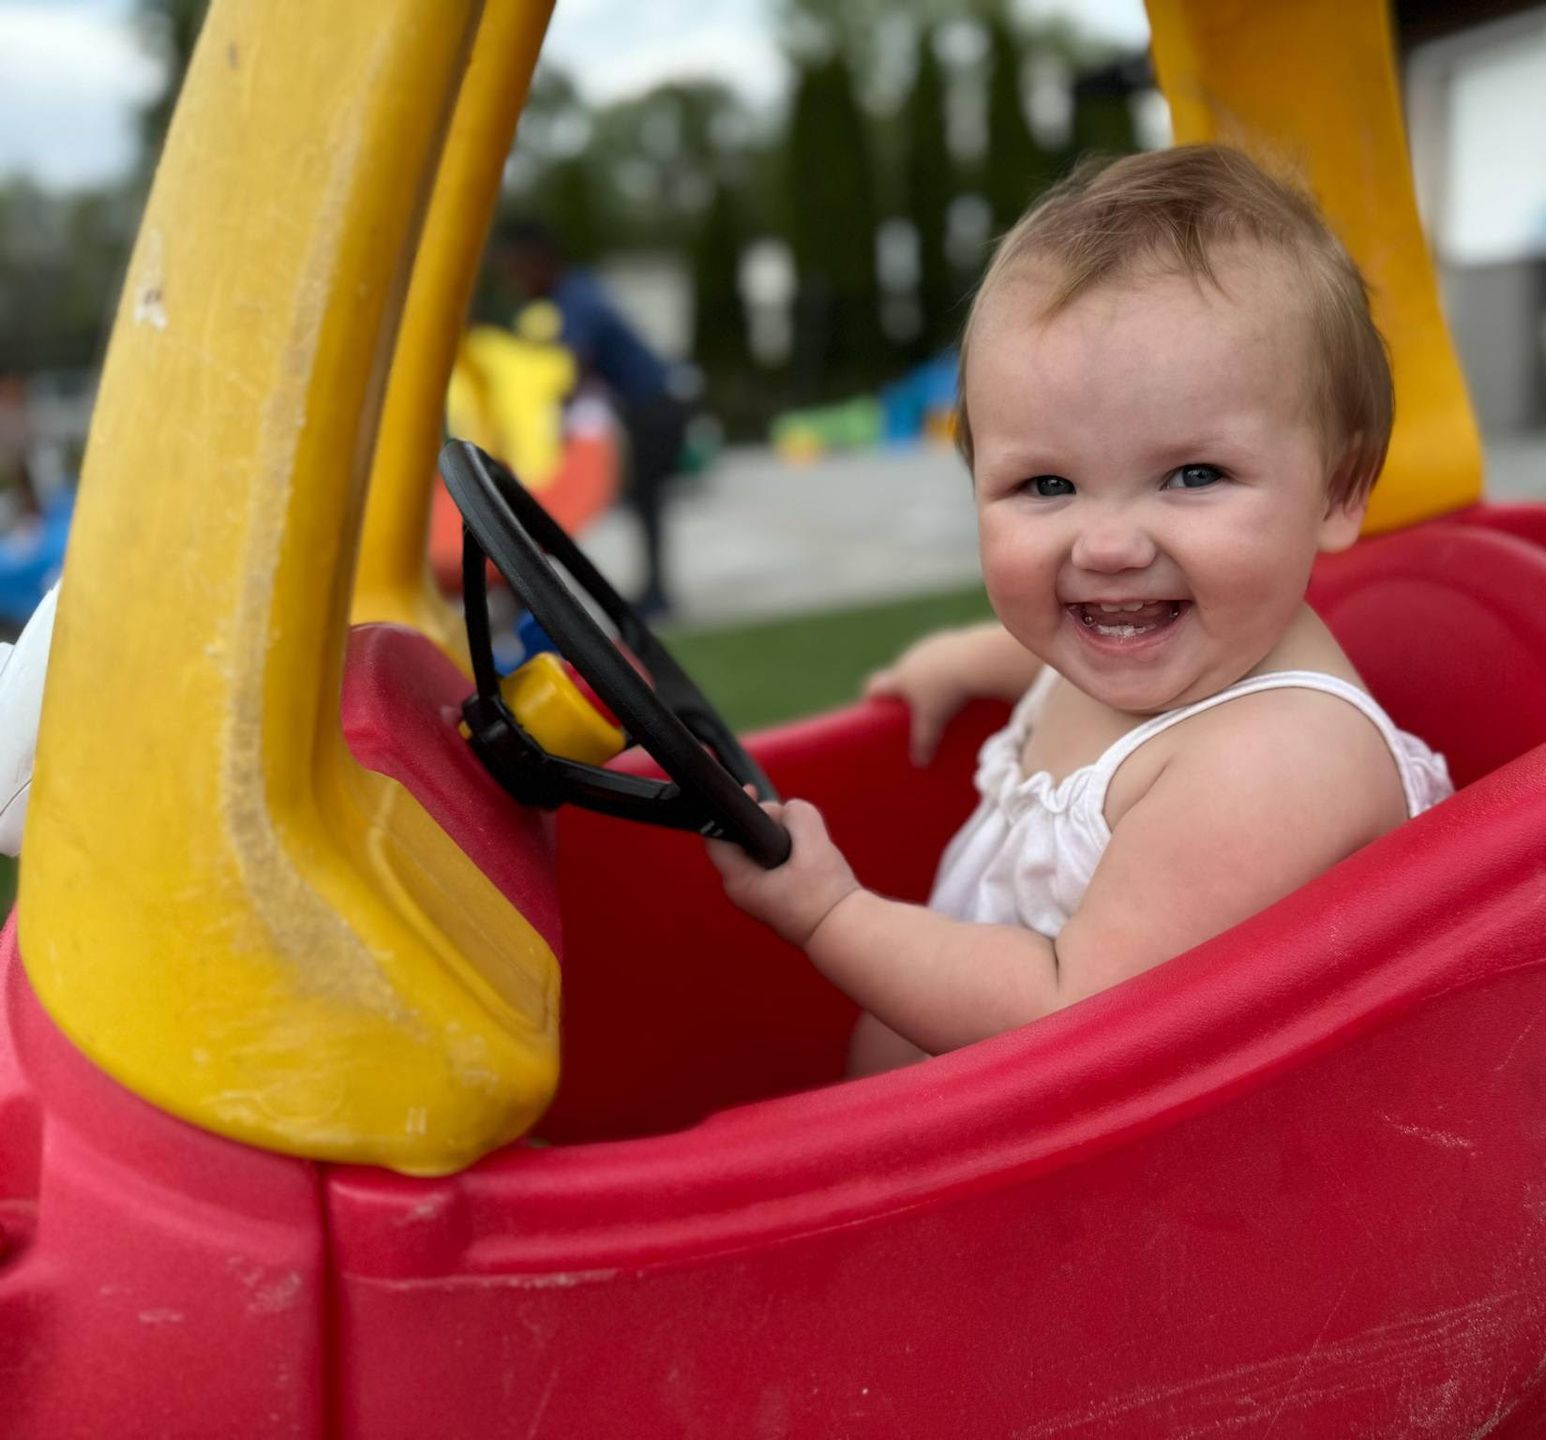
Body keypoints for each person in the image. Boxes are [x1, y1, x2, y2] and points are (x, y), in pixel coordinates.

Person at [706, 145, 1452, 1075]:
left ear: (1339, 490)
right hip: (967, 1157)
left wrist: (831, 915)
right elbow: (1081, 673)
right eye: (1047, 483)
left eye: (1193, 474)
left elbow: (1071, 1008)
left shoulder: (1276, 763)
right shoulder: (1183, 649)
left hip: (1113, 1194)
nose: (1107, 546)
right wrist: (971, 658)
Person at [494, 220, 687, 617]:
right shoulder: (575, 293)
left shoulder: (574, 301)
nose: (516, 284)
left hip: (654, 406)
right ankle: (653, 590)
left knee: (646, 501)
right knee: (642, 502)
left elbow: (570, 370)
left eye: (518, 272)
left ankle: (657, 594)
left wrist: (544, 418)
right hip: (648, 405)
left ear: (541, 261)